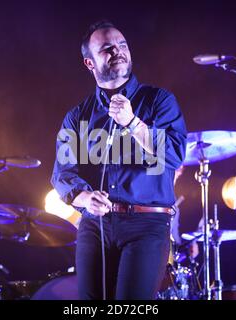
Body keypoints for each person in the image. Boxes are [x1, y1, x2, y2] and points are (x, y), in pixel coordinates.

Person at [51, 20, 187, 300]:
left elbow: (174, 153)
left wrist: (134, 123)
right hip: (95, 226)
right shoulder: (78, 116)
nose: (118, 51)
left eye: (122, 45)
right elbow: (62, 175)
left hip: (146, 225)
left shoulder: (159, 101)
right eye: (107, 49)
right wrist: (85, 198)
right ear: (90, 63)